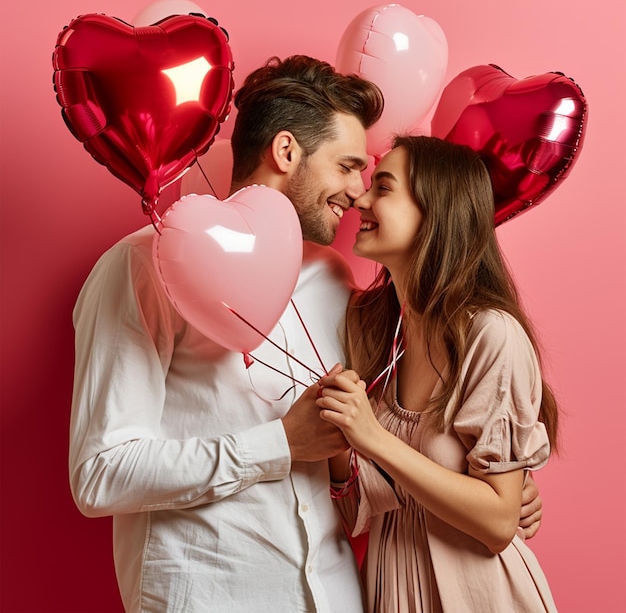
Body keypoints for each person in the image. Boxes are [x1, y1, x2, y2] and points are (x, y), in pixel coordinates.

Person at [69, 56, 542, 613]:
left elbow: (386, 438)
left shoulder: (334, 281)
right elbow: (100, 475)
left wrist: (499, 492)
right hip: (210, 594)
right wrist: (278, 445)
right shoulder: (141, 267)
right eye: (346, 166)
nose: (357, 191)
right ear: (287, 151)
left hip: (340, 595)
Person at [317, 135, 559, 612]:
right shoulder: (372, 328)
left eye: (382, 187)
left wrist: (373, 437)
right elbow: (356, 512)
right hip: (391, 593)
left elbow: (497, 523)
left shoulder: (490, 335)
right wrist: (341, 444)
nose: (359, 199)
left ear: (435, 211)